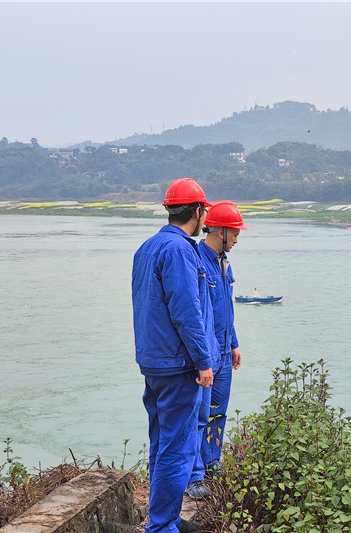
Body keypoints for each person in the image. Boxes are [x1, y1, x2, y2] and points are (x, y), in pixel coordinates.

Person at [132, 177, 218, 533]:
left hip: (154, 361)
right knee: (177, 448)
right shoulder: (181, 251)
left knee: (161, 443)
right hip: (178, 363)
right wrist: (204, 361)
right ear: (197, 212)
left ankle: (163, 516)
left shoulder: (148, 247)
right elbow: (187, 312)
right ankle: (161, 525)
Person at [185, 201, 247, 499]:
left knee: (217, 413)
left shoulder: (224, 264)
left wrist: (233, 343)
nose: (237, 239)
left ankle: (212, 462)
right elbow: (195, 314)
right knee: (198, 416)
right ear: (221, 231)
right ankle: (194, 476)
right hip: (207, 355)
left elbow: (226, 310)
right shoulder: (197, 262)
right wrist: (202, 358)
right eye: (235, 233)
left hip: (223, 351)